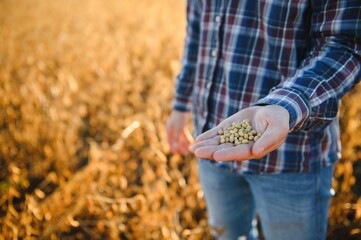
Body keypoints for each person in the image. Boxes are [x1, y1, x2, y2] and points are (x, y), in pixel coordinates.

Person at [166, 0, 361, 239]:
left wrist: (284, 105)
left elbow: (345, 45)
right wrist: (181, 102)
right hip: (211, 137)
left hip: (291, 155)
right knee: (226, 234)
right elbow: (196, 31)